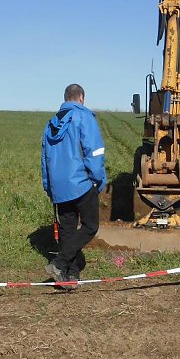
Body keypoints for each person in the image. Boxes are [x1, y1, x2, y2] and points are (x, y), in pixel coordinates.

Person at [40, 83, 107, 289]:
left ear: (65, 98)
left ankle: (70, 277)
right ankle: (60, 263)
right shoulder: (85, 117)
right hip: (81, 182)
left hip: (59, 186)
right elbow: (94, 152)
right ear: (81, 98)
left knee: (68, 230)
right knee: (90, 226)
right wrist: (99, 180)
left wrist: (48, 186)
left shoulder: (51, 123)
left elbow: (44, 159)